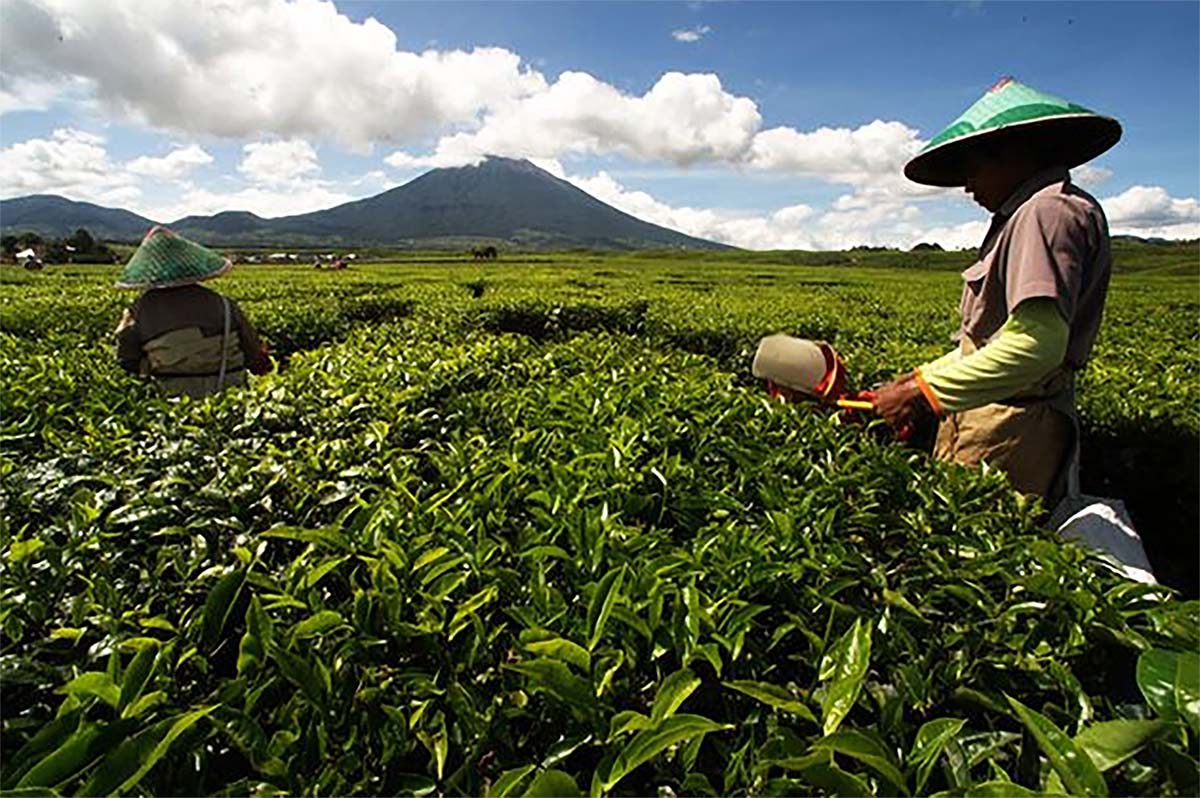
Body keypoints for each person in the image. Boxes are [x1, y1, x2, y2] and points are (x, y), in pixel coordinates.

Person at [872, 77, 1122, 508]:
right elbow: (995, 337)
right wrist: (917, 379)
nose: (968, 187)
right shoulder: (1035, 212)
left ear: (1014, 153)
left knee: (974, 553)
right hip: (997, 412)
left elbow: (1035, 345)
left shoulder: (1045, 212)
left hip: (1011, 426)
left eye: (972, 169)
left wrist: (920, 393)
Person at [114, 226, 272, 398]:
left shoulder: (138, 311)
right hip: (229, 396)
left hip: (171, 399)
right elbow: (253, 353)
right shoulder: (223, 304)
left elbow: (127, 360)